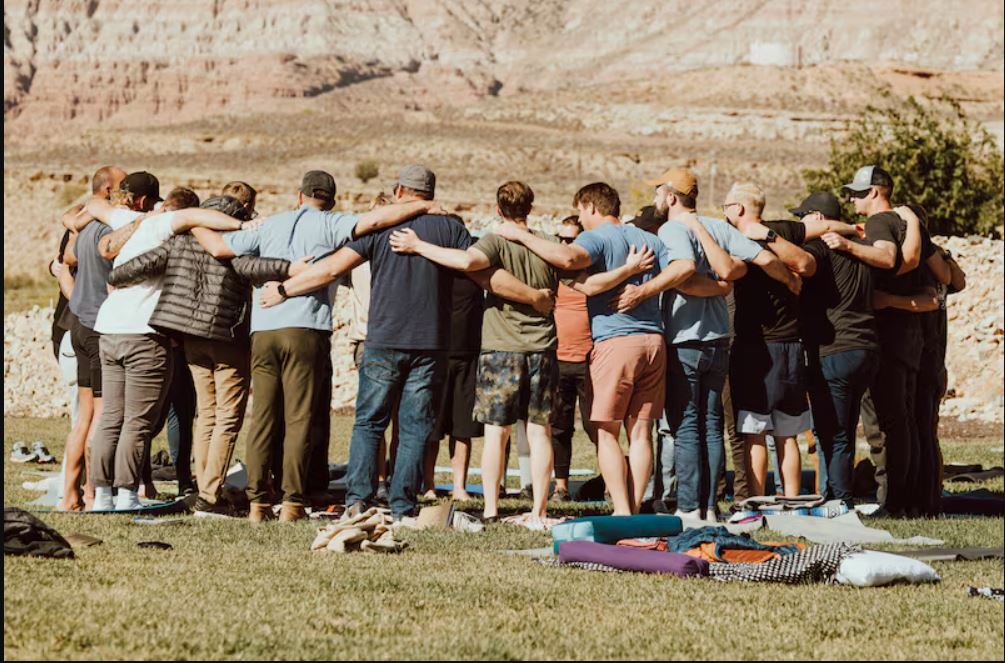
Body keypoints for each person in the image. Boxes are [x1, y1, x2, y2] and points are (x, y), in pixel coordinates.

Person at [260, 166, 554, 522]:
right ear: (430, 193)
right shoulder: (450, 229)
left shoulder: (382, 227)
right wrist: (534, 297)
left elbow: (332, 268)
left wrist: (284, 290)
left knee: (369, 423)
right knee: (415, 426)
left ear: (399, 191)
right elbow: (487, 276)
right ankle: (403, 504)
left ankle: (358, 500)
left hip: (383, 339)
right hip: (431, 344)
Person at [193, 170, 444, 523]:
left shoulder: (270, 224)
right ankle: (293, 501)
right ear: (332, 200)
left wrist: (186, 220)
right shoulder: (331, 223)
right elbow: (375, 220)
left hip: (263, 329)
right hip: (306, 329)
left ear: (300, 196)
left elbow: (218, 247)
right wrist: (424, 205)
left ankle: (258, 503)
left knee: (263, 417)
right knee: (300, 419)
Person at [493, 182, 696, 515]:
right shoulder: (648, 238)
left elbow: (569, 257)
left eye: (581, 212)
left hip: (616, 343)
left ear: (590, 207)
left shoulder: (597, 237)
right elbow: (683, 267)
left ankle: (622, 511)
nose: (581, 220)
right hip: (654, 342)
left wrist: (521, 235)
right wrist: (644, 290)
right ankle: (635, 507)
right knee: (641, 433)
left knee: (606, 432)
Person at [107, 194, 302, 518]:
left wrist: (114, 278)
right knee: (227, 416)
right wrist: (289, 268)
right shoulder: (229, 242)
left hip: (190, 337)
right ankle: (209, 496)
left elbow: (133, 267)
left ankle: (205, 488)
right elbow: (250, 267)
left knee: (207, 414)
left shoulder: (180, 240)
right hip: (226, 337)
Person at [388, 181, 568, 523]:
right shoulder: (548, 244)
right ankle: (539, 509)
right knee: (539, 431)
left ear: (498, 209)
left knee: (496, 433)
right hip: (543, 347)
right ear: (530, 208)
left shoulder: (495, 240)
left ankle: (491, 508)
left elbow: (468, 260)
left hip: (501, 349)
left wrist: (418, 245)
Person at [647, 167, 802, 518]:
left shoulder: (672, 229)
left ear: (671, 197)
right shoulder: (718, 227)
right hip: (719, 339)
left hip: (684, 338)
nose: (655, 198)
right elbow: (764, 258)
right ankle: (710, 506)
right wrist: (790, 281)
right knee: (712, 426)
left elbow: (684, 272)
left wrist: (646, 290)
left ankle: (689, 507)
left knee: (687, 425)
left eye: (658, 192)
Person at [86, 182, 245, 510]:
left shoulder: (132, 221)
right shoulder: (164, 224)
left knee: (111, 416)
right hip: (144, 334)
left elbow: (94, 205)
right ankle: (127, 494)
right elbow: (195, 216)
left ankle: (101, 495)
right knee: (137, 421)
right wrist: (244, 225)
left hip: (109, 328)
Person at [825, 165, 931, 516]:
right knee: (904, 420)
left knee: (883, 427)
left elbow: (886, 257)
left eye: (857, 193)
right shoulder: (906, 225)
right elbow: (937, 275)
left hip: (885, 338)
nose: (851, 200)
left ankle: (893, 501)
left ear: (874, 192)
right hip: (910, 337)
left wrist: (846, 246)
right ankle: (910, 499)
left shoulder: (879, 223)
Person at [723, 182, 816, 498]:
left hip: (756, 348)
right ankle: (792, 498)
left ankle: (758, 499)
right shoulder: (784, 232)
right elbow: (818, 236)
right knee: (788, 435)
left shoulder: (738, 240)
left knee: (755, 433)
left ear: (738, 208)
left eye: (726, 206)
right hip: (791, 345)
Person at [792, 191, 880, 505]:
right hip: (865, 346)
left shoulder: (821, 247)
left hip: (834, 349)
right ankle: (834, 493)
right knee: (844, 430)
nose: (801, 224)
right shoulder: (863, 247)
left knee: (834, 433)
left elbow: (799, 266)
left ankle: (838, 500)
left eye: (803, 217)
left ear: (817, 218)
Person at [57, 165, 127, 510]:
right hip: (100, 327)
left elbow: (68, 258)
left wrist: (75, 220)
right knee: (102, 413)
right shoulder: (111, 230)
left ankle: (70, 494)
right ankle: (93, 492)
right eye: (123, 186)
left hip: (79, 325)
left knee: (83, 417)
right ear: (109, 190)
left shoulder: (83, 230)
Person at [419, 214, 485, 502]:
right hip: (437, 352)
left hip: (469, 354)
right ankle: (429, 485)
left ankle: (459, 486)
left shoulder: (475, 265)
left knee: (463, 427)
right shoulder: (433, 264)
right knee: (431, 427)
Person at [549, 215, 597, 502]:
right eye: (562, 239)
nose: (566, 244)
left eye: (572, 239)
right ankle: (561, 487)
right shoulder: (552, 273)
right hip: (558, 360)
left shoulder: (595, 274)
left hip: (590, 360)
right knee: (559, 426)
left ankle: (612, 482)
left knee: (597, 427)